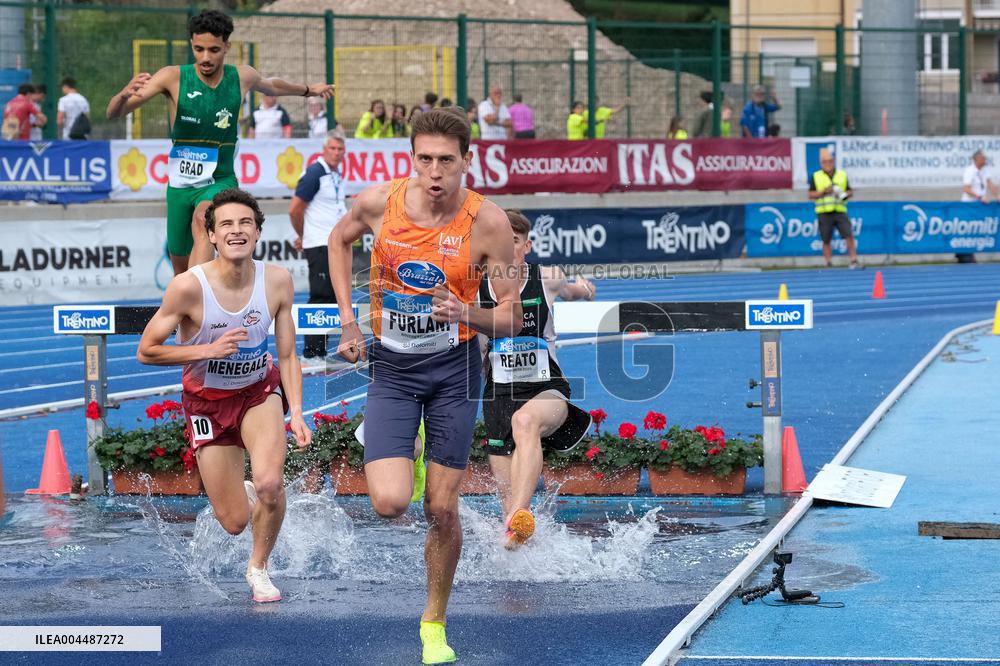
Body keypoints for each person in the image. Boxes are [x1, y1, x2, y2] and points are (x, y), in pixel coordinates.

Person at [327, 107, 522, 665]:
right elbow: (337, 241)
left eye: (447, 161)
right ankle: (409, 452)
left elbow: (511, 317)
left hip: (454, 369)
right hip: (392, 366)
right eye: (425, 159)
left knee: (442, 508)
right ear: (411, 158)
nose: (435, 172)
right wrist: (347, 320)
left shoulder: (489, 223)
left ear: (467, 160)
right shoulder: (379, 203)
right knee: (390, 503)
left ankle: (433, 623)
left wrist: (466, 312)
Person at [137, 188, 312, 603]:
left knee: (271, 484)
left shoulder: (277, 280)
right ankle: (248, 494)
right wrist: (206, 351)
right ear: (212, 235)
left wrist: (297, 412)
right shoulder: (188, 288)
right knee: (233, 521)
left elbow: (288, 354)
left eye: (245, 223)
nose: (237, 230)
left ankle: (259, 568)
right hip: (207, 403)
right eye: (227, 224)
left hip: (257, 392)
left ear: (257, 232)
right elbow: (146, 350)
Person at [106, 9, 334, 276]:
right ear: (192, 44)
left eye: (213, 50)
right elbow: (114, 113)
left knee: (203, 218)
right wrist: (122, 96)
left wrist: (308, 90)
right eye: (199, 49)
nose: (205, 57)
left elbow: (272, 86)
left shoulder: (241, 77)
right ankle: (191, 294)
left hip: (220, 179)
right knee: (179, 265)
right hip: (180, 185)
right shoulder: (172, 77)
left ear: (226, 46)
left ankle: (198, 293)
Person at [479, 210, 595, 549]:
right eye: (499, 241)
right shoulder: (476, 288)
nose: (505, 247)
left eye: (513, 241)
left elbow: (571, 291)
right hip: (498, 395)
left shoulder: (546, 277)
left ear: (526, 246)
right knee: (508, 518)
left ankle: (521, 514)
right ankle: (519, 541)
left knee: (525, 420)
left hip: (546, 388)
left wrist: (585, 290)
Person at [289, 130, 347, 362]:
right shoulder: (315, 173)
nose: (336, 153)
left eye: (340, 149)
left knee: (332, 297)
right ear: (324, 150)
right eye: (332, 148)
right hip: (320, 244)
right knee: (321, 297)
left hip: (334, 245)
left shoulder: (335, 174)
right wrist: (304, 236)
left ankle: (321, 352)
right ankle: (310, 354)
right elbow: (295, 209)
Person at [809, 148, 859, 269]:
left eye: (830, 161)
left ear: (834, 161)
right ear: (821, 163)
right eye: (825, 161)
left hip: (840, 211)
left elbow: (850, 191)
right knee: (826, 239)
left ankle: (853, 260)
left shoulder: (842, 175)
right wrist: (824, 192)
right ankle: (828, 262)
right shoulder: (816, 176)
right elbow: (810, 194)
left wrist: (842, 193)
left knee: (848, 235)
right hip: (824, 212)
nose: (828, 164)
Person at [958, 150, 998, 263]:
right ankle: (964, 255)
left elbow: (990, 184)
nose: (985, 160)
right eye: (983, 158)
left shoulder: (985, 170)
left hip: (980, 206)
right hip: (969, 206)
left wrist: (997, 195)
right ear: (977, 159)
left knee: (979, 229)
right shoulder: (970, 171)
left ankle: (968, 253)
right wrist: (979, 197)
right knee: (968, 229)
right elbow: (966, 189)